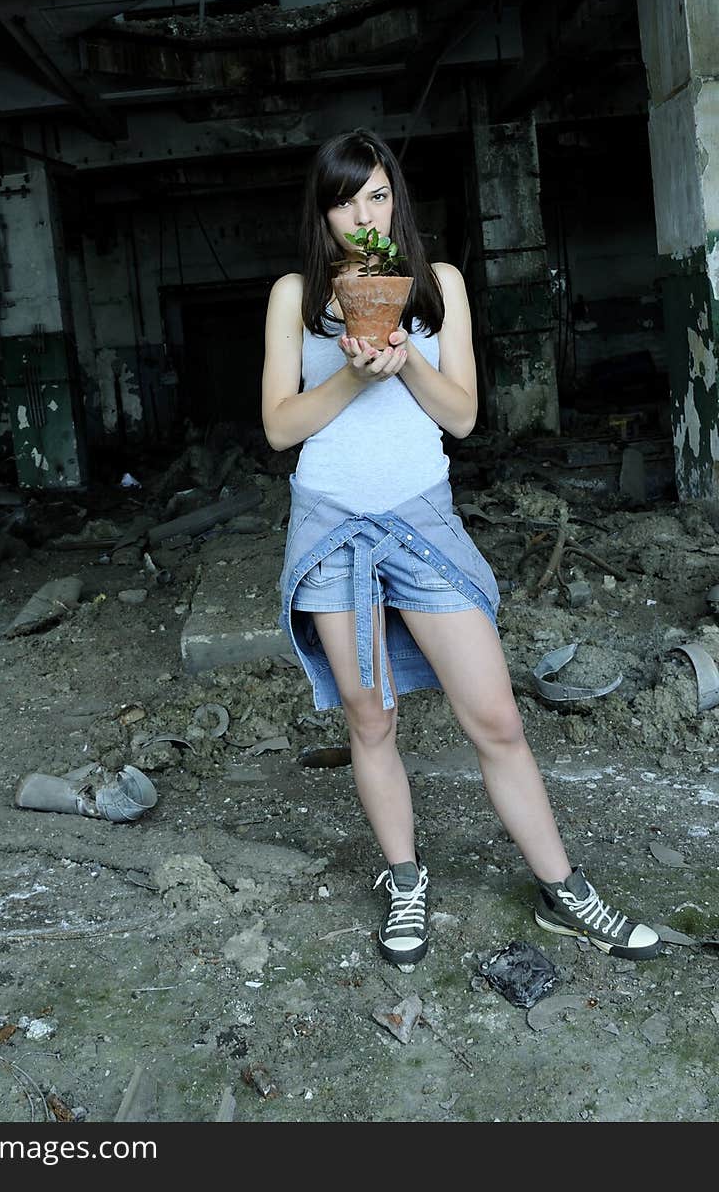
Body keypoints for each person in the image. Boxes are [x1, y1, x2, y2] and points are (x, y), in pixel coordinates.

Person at [261, 128, 659, 970]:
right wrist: (349, 374)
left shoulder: (437, 286)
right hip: (333, 524)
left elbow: (464, 416)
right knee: (372, 719)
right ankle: (404, 878)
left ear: (395, 199)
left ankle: (566, 891)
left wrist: (400, 362)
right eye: (343, 199)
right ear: (323, 212)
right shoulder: (295, 296)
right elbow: (277, 426)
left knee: (497, 716)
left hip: (422, 517)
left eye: (375, 194)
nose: (361, 213)